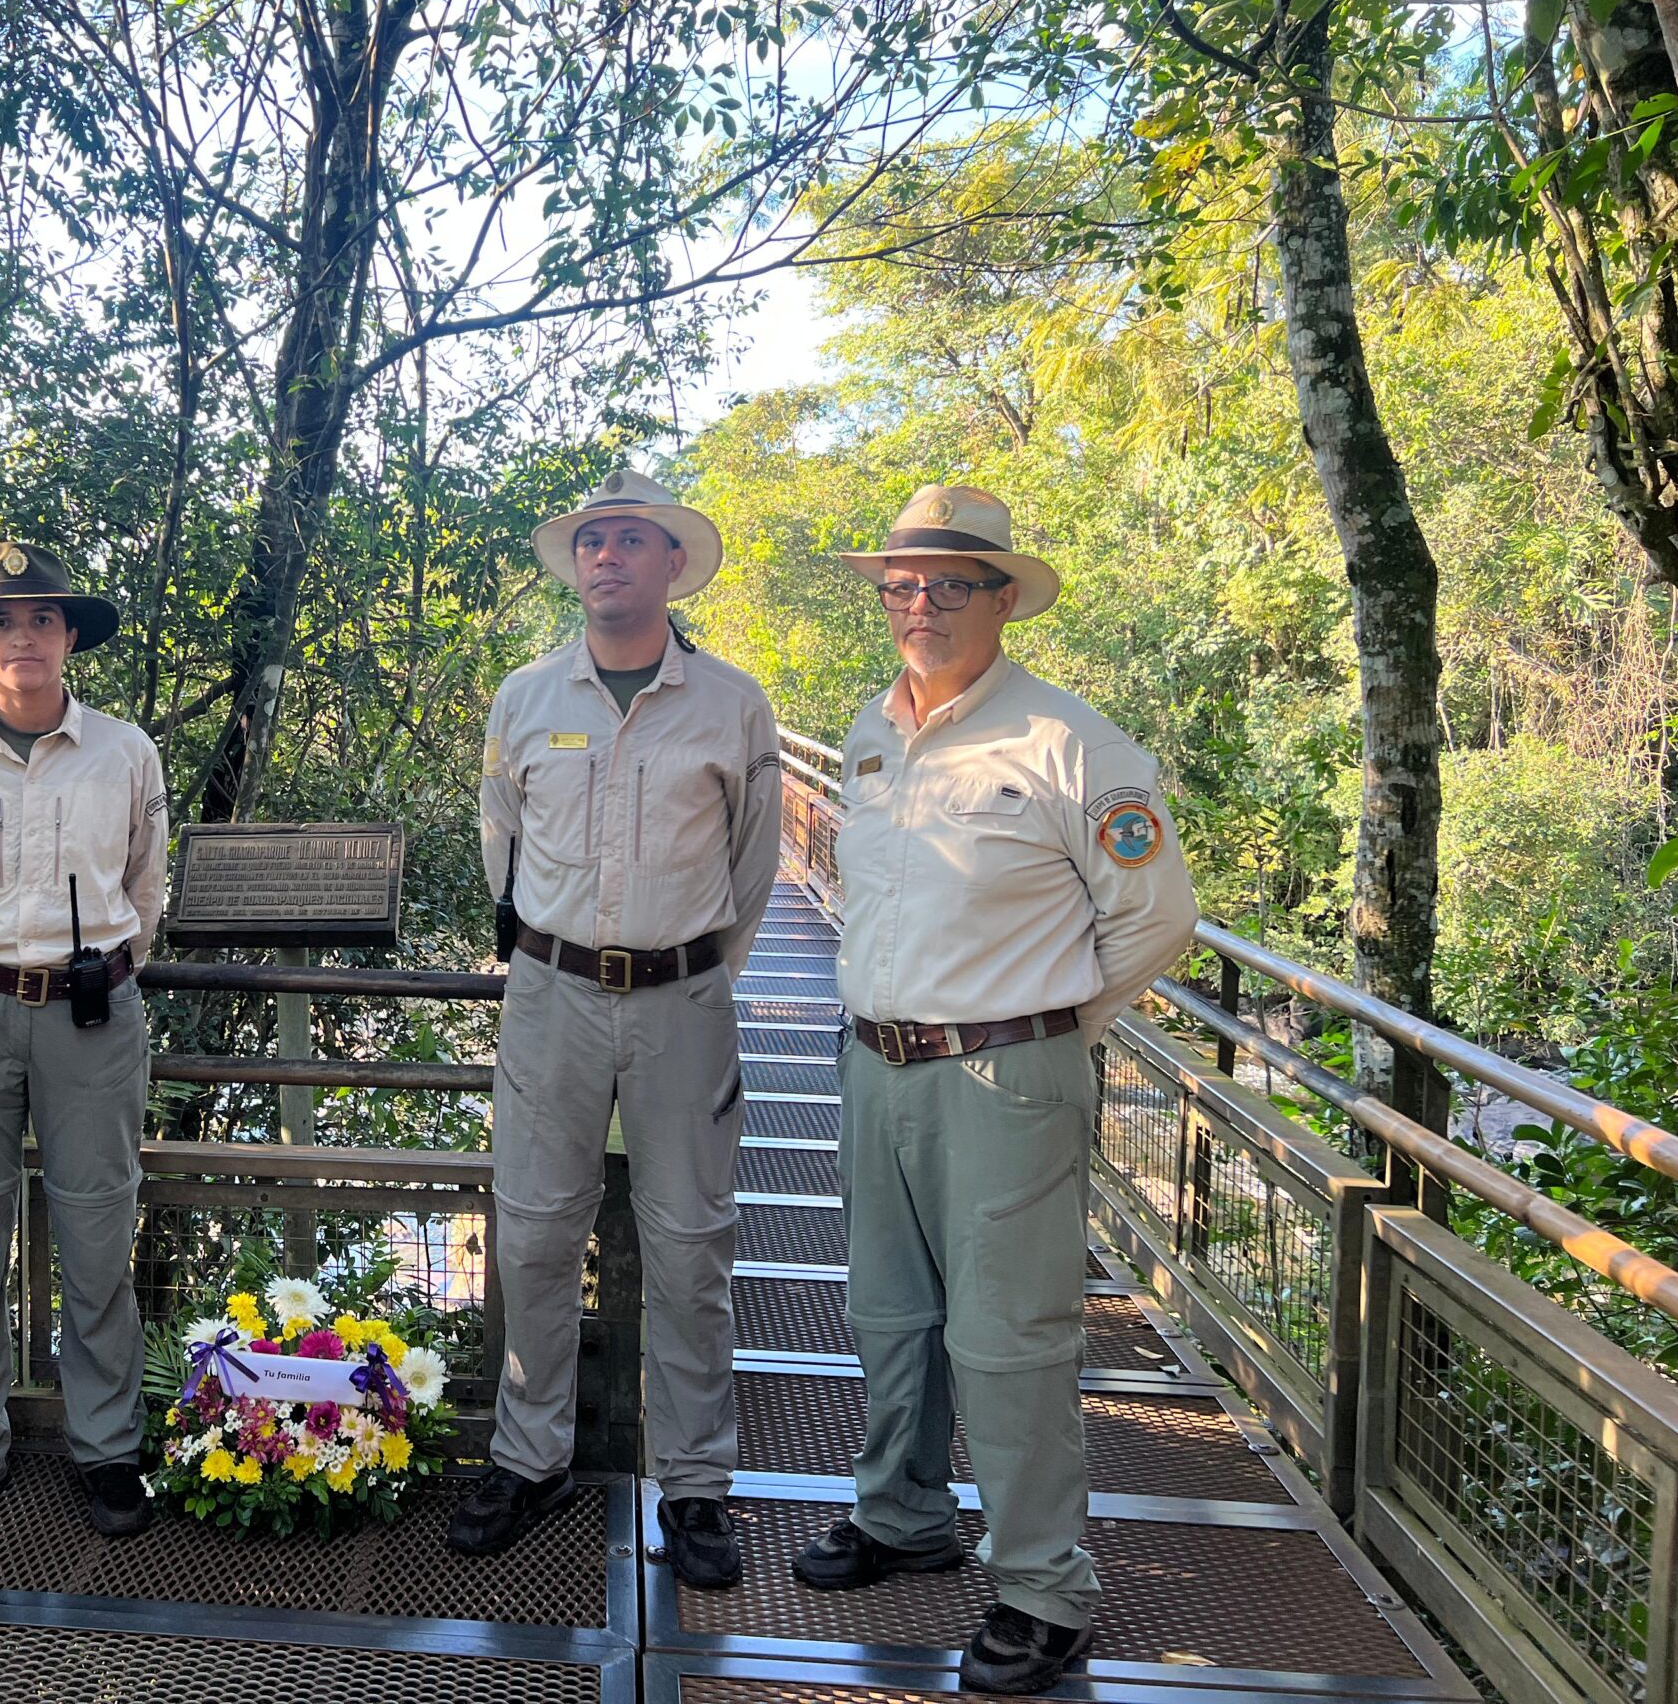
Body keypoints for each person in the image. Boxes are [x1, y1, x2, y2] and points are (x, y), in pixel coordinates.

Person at [801, 485, 1198, 1694]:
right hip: (875, 1063)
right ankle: (901, 1515)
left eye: (948, 584)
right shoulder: (872, 731)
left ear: (1003, 597)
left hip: (1001, 1074)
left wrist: (1041, 1027)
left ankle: (1042, 1589)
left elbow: (1156, 919)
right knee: (889, 1312)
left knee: (1008, 1338)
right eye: (900, 584)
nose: (918, 604)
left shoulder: (1071, 743)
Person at [450, 469, 782, 1589]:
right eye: (593, 541)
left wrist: (690, 970)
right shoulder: (524, 697)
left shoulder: (731, 704)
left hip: (683, 999)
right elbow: (500, 839)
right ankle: (529, 1457)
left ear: (671, 564)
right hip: (551, 997)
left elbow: (753, 865)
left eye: (631, 540)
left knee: (690, 1242)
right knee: (535, 1232)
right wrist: (560, 952)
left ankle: (693, 1484)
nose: (607, 558)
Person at [0, 540, 168, 1541]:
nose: (22, 637)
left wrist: (95, 967)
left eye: (41, 619)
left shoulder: (125, 753)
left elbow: (145, 885)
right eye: (2, 621)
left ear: (68, 637)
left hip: (90, 1011)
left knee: (97, 1228)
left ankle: (107, 1447)